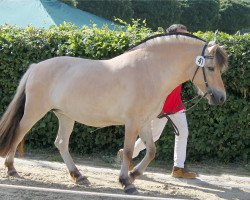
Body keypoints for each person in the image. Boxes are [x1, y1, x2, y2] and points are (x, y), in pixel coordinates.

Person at [118, 24, 197, 179]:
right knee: (153, 136)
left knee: (183, 133)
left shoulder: (184, 56)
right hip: (158, 103)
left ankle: (178, 168)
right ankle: (127, 154)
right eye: (183, 35)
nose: (186, 38)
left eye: (187, 35)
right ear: (171, 37)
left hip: (175, 104)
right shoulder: (162, 55)